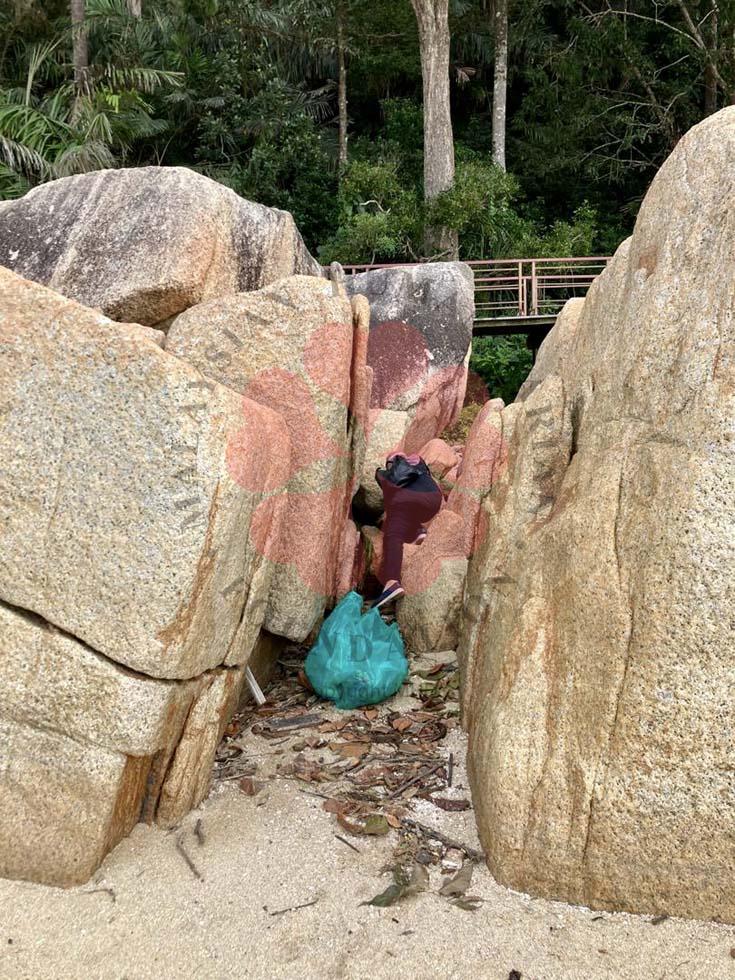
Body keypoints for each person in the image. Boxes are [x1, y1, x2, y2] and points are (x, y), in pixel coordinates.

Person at [372, 452, 443, 608]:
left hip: (406, 499)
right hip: (433, 500)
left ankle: (392, 583)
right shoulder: (419, 462)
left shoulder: (385, 474)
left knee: (393, 533)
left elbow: (390, 501)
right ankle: (418, 531)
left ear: (390, 464)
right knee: (407, 513)